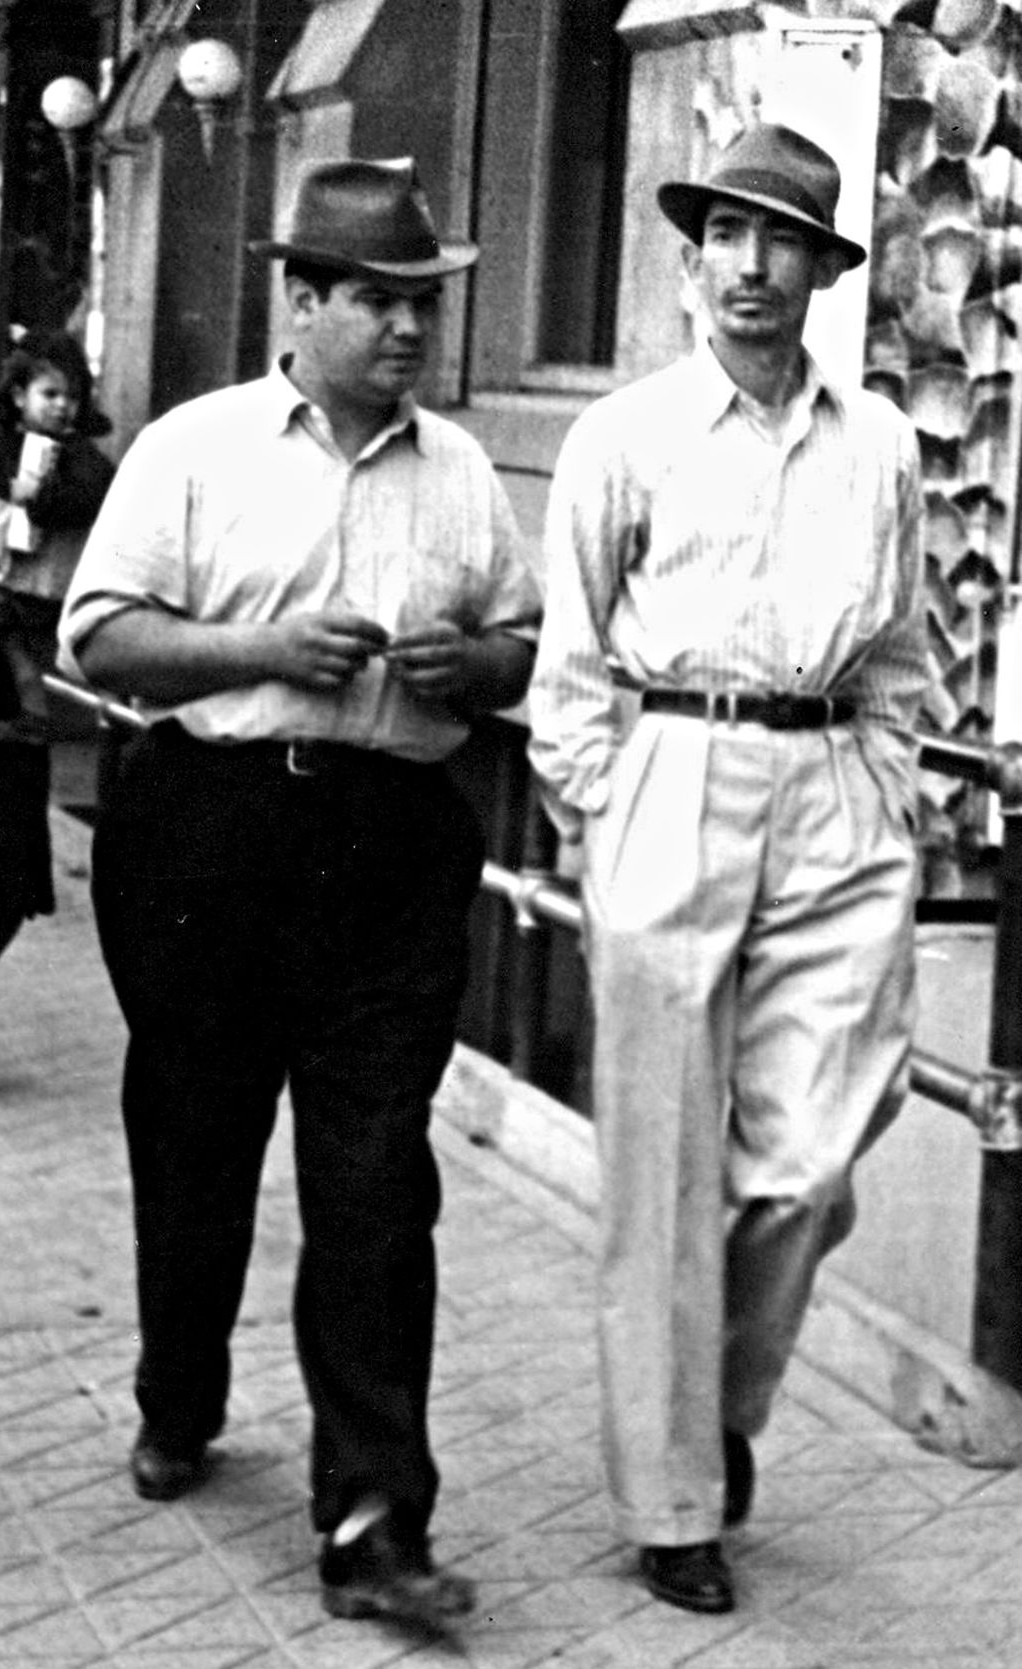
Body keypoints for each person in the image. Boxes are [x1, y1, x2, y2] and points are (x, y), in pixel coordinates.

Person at [58, 157, 540, 1628]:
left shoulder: (460, 473)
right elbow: (101, 636)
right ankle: (178, 1394)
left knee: (377, 1180)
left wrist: (477, 666)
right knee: (196, 1146)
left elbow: (522, 642)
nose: (408, 329)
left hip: (390, 849)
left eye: (423, 305)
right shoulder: (195, 449)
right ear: (304, 301)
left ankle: (376, 1523)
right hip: (208, 838)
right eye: (379, 302)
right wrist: (259, 650)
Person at [527, 123, 927, 1615]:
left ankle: (719, 1408)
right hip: (671, 769)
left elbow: (898, 649)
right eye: (727, 239)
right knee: (662, 1164)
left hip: (833, 786)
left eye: (785, 243)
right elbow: (572, 655)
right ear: (693, 261)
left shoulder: (880, 442)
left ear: (824, 270)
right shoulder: (624, 436)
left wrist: (885, 785)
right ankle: (672, 1495)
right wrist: (598, 808)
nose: (752, 268)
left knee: (812, 1150)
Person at [0, 330, 114, 964]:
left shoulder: (85, 463)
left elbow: (82, 498)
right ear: (18, 395)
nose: (63, 407)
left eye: (73, 396)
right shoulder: (4, 449)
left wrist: (38, 494)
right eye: (50, 393)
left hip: (39, 616)